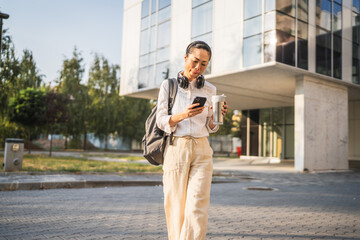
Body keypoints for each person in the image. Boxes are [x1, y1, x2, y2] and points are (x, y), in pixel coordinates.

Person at [156, 41, 228, 240]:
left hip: (202, 150)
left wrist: (217, 117)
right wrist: (182, 115)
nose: (198, 68)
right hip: (176, 148)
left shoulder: (210, 90)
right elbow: (161, 121)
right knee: (175, 206)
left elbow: (210, 128)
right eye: (195, 61)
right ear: (186, 57)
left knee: (198, 206)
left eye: (204, 64)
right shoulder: (168, 86)